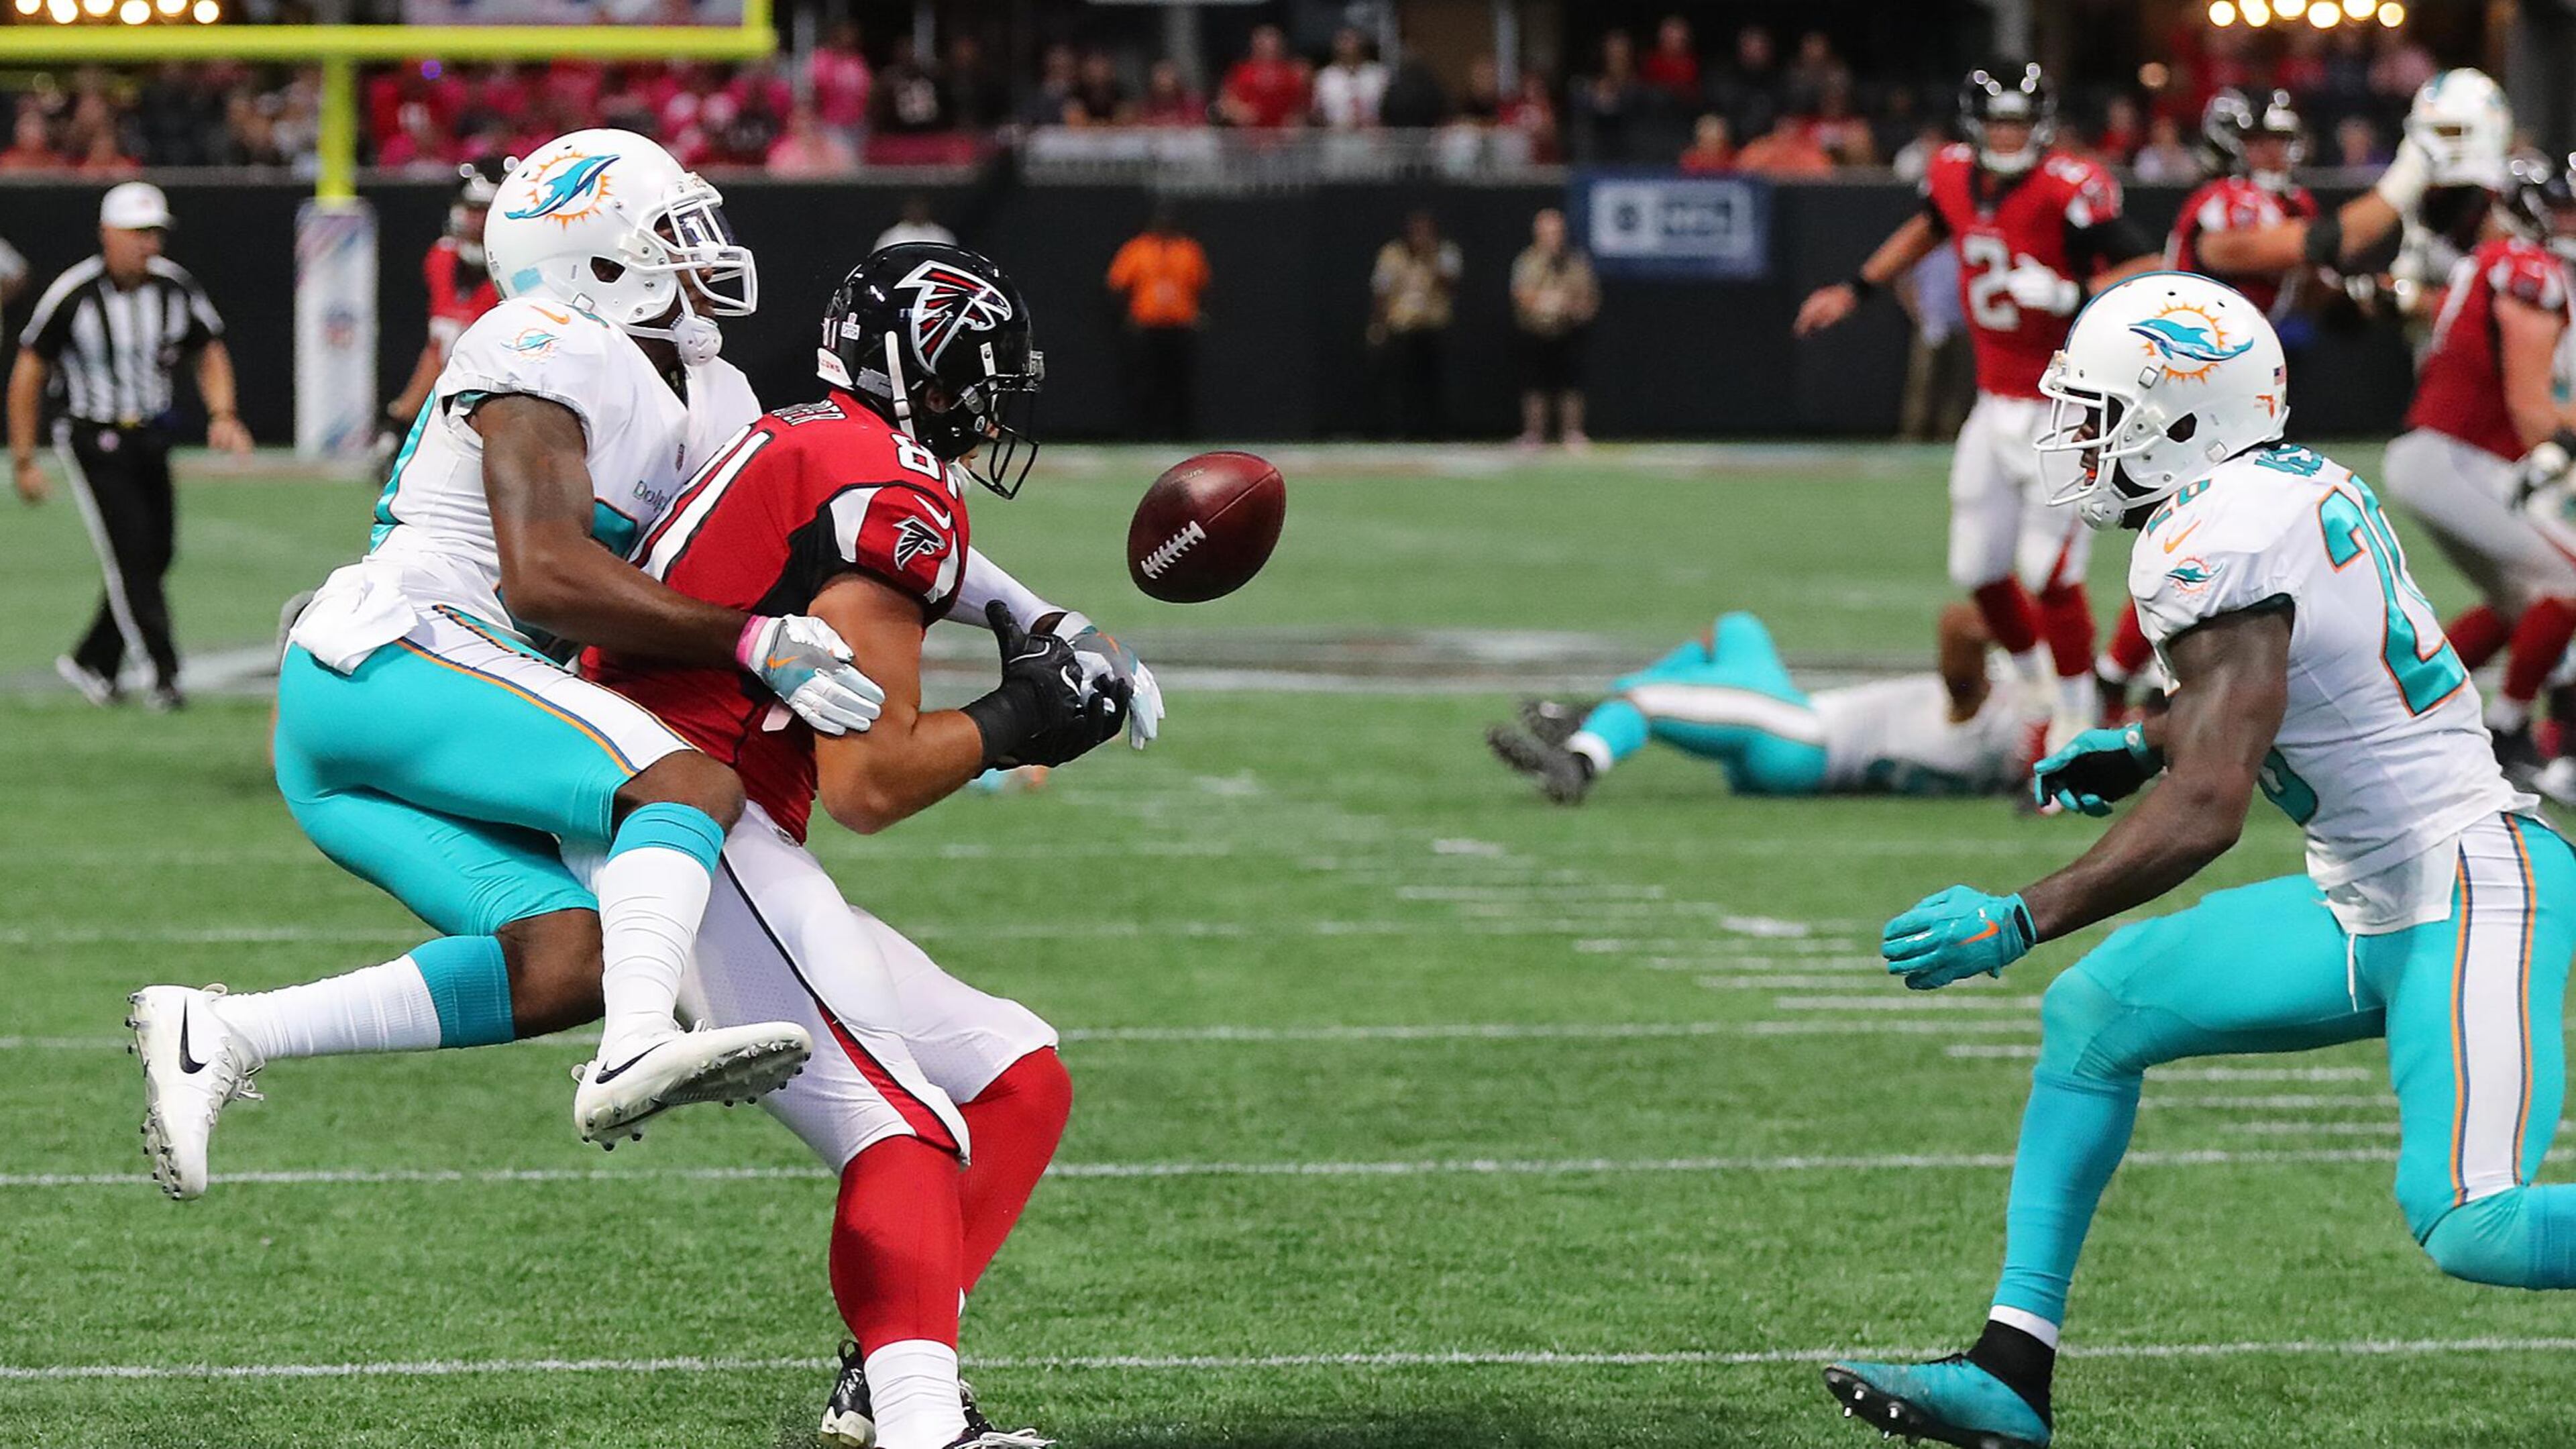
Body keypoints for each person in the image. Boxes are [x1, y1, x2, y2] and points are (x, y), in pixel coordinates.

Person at [1823, 270, 2576, 1449]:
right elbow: (2270, 694)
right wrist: (2138, 739)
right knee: (2096, 1015)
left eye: (2103, 409)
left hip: (2472, 882)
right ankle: (2012, 1370)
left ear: (2187, 415)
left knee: (2471, 1222)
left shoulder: (2213, 534)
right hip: (2373, 893)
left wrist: (2022, 914)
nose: (2081, 436)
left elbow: (2212, 805)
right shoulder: (2280, 485)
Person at [121, 130, 888, 1200]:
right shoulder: (545, 336)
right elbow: (541, 577)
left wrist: (1007, 614)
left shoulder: (713, 394)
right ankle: (632, 1047)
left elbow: (798, 536)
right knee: (682, 783)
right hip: (399, 654)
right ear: (598, 259)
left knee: (569, 956)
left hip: (382, 721)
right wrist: (752, 642)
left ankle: (222, 1029)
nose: (702, 248)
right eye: (672, 231)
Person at [580, 243, 1145, 1449]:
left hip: (685, 816)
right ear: (928, 374)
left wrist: (1038, 619)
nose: (994, 410)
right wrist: (1023, 719)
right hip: (694, 825)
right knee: (909, 1124)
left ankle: (878, 1380)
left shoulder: (823, 440)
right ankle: (922, 1428)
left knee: (1015, 1077)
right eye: (981, 381)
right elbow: (870, 782)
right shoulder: (887, 491)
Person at [1794, 64, 2160, 755]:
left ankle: (2078, 718)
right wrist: (1857, 289)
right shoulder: (1954, 175)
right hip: (1994, 402)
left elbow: (2148, 266)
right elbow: (1928, 228)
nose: (2008, 135)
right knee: (1979, 566)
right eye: (1998, 122)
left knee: (2048, 570)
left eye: (2020, 123)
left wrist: (2068, 293)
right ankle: (2034, 690)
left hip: (2065, 401)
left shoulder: (2070, 188)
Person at [2098, 89, 2324, 712]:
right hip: (2191, 387)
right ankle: (2123, 672)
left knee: (2225, 531)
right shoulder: (2225, 204)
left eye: (2280, 140)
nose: (2273, 153)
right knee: (2197, 526)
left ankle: (2138, 673)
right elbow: (2285, 252)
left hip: (2240, 388)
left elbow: (2303, 287)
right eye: (2260, 142)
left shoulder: (2288, 201)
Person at [7, 182, 250, 712]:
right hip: (93, 435)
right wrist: (24, 458)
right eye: (138, 233)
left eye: (155, 233)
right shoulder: (74, 294)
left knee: (157, 551)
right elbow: (29, 371)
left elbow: (207, 349)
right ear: (108, 235)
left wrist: (223, 413)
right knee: (132, 553)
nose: (149, 245)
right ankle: (163, 672)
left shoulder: (174, 288)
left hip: (152, 432)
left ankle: (94, 658)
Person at [2382, 141, 2576, 779]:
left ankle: (2399, 723)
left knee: (2519, 605)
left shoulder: (2498, 263)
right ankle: (2507, 731)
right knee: (2567, 582)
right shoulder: (2528, 270)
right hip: (2459, 454)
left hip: (2450, 455)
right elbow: (2530, 407)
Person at [1487, 604, 2021, 806]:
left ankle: (1580, 760)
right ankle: (1604, 722)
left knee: (1643, 699)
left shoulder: (1995, 719)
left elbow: (1960, 628)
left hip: (1803, 740)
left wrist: (2031, 633)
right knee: (1737, 631)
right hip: (1803, 719)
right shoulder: (2023, 736)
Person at [379, 160, 508, 458]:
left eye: (486, 210)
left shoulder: (520, 274)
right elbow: (440, 347)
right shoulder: (442, 258)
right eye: (473, 209)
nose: (477, 221)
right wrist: (400, 418)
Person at [1105, 201, 1210, 441]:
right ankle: (1143, 434)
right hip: (1147, 325)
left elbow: (1203, 285)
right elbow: (1116, 285)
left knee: (1180, 384)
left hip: (1180, 325)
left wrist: (1200, 313)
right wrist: (1125, 317)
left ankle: (1182, 435)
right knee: (1145, 383)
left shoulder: (1188, 250)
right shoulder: (1137, 249)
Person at [1508, 207, 1597, 450]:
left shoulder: (1576, 262)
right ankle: (1534, 434)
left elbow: (1589, 299)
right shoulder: (1526, 261)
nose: (1552, 238)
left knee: (1571, 383)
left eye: (1556, 232)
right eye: (1547, 233)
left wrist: (1567, 305)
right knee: (1534, 384)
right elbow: (1519, 294)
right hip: (1535, 331)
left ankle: (1572, 433)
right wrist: (1543, 301)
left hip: (1568, 331)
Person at [1369, 209, 1461, 439]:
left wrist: (1430, 258)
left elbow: (1451, 285)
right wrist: (1377, 324)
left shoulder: (1445, 252)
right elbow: (1381, 291)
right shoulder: (1392, 254)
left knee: (1433, 382)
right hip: (1401, 326)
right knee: (1400, 382)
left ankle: (1435, 430)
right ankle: (1398, 430)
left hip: (1433, 326)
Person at [1216, 25, 1308, 129]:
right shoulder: (1241, 71)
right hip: (1249, 134)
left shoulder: (1294, 72)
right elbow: (1226, 100)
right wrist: (1239, 112)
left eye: (1273, 43)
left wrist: (1297, 119)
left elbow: (1302, 104)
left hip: (1283, 135)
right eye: (1263, 43)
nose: (1269, 47)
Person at [1313, 27, 1387, 129]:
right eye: (1344, 40)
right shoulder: (1325, 77)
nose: (1348, 45)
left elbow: (1390, 107)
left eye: (1352, 40)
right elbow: (1316, 112)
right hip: (1336, 134)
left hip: (1373, 134)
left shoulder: (1378, 74)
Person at [874, 194, 957, 252]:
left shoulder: (941, 235)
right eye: (913, 208)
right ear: (905, 211)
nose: (916, 212)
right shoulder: (891, 236)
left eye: (920, 208)